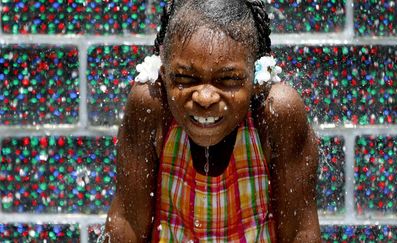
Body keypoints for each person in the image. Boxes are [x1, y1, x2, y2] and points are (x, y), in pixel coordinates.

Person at [101, 0, 320, 242]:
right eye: (185, 77)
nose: (205, 97)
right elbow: (127, 221)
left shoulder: (276, 113)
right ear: (163, 72)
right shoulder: (152, 106)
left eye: (228, 79)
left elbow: (301, 231)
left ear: (258, 77)